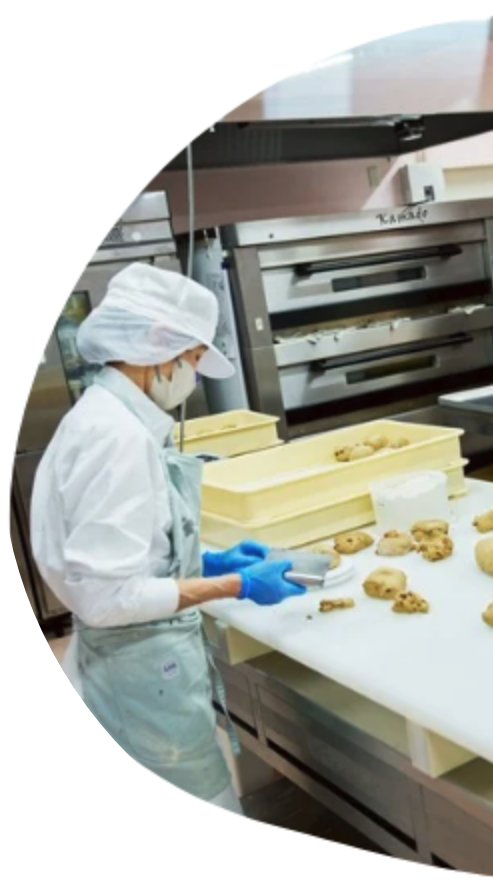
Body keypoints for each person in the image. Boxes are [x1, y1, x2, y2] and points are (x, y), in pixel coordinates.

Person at [31, 263, 318, 812]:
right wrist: (236, 585)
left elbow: (124, 553)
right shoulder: (114, 438)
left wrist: (206, 562)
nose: (193, 376)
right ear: (158, 349)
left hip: (132, 665)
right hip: (140, 672)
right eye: (192, 359)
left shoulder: (105, 416)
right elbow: (108, 598)